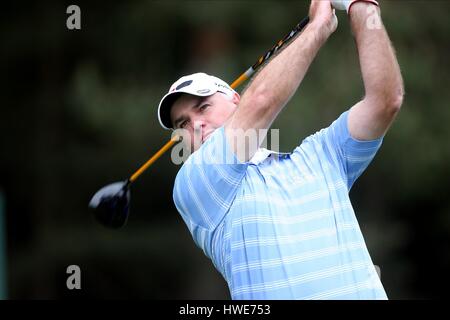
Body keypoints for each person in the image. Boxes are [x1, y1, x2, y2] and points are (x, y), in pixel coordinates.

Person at [156, 0, 403, 299]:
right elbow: (260, 101)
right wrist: (318, 27)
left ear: (235, 99)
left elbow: (385, 100)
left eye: (204, 107)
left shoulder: (321, 156)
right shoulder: (195, 184)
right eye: (183, 124)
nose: (195, 125)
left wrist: (362, 8)